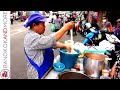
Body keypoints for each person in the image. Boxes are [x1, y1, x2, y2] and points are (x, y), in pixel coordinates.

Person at [23, 13, 75, 79]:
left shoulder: (38, 35)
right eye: (43, 24)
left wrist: (65, 46)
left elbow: (52, 43)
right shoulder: (31, 38)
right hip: (37, 74)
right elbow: (49, 40)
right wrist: (65, 28)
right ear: (34, 25)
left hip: (46, 70)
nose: (45, 27)